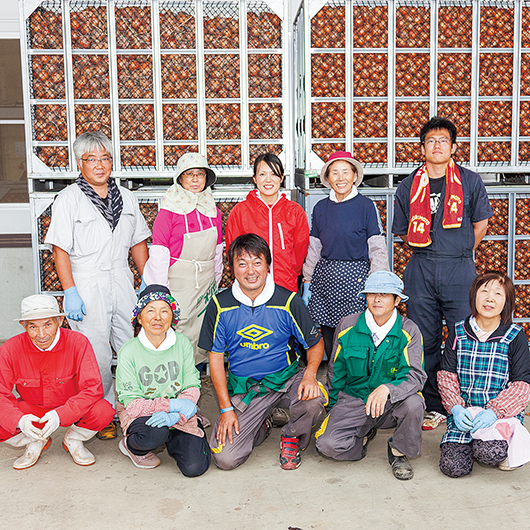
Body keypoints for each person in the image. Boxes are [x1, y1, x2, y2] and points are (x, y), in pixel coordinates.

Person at [45, 131, 151, 439]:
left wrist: (147, 281)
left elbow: (138, 241)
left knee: (131, 344)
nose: (100, 165)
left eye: (105, 158)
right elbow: (59, 249)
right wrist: (70, 290)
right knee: (96, 353)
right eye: (92, 159)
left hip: (121, 278)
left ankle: (131, 407)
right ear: (80, 163)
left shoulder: (126, 197)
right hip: (87, 280)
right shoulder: (68, 199)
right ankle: (101, 412)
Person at [392, 116, 493, 431]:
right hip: (421, 267)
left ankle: (468, 401)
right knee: (426, 339)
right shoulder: (409, 185)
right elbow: (402, 233)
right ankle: (432, 404)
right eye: (431, 141)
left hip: (459, 268)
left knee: (465, 336)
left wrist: (458, 250)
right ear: (422, 148)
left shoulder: (470, 181)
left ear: (453, 147)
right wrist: (432, 250)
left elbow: (481, 225)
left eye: (443, 141)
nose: (437, 146)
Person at [198, 234, 327, 470]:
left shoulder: (288, 301)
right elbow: (215, 358)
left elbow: (315, 343)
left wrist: (309, 375)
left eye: (257, 262)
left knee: (315, 398)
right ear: (232, 268)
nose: (250, 270)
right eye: (242, 263)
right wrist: (226, 409)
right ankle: (262, 424)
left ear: (268, 266)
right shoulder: (220, 305)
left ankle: (292, 436)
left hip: (286, 380)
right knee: (225, 458)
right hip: (247, 388)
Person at [315, 271, 426, 480]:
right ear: (364, 297)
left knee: (414, 403)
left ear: (397, 300)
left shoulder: (409, 330)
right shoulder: (347, 326)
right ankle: (363, 436)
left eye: (384, 294)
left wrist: (388, 389)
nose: (377, 299)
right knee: (327, 445)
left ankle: (398, 451)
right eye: (372, 293)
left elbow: (415, 374)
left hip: (392, 402)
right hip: (354, 398)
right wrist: (334, 408)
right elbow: (335, 370)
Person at [0, 294, 115, 470]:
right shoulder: (10, 349)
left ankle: (73, 439)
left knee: (103, 411)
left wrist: (60, 415)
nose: (41, 334)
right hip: (33, 411)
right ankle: (35, 440)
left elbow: (92, 388)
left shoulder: (78, 342)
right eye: (33, 326)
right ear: (23, 326)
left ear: (60, 321)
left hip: (73, 409)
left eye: (48, 324)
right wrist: (19, 420)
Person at [437, 272, 530, 478]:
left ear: (506, 302)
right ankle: (465, 443)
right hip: (466, 413)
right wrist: (456, 408)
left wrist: (494, 411)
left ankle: (491, 445)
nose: (490, 298)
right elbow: (447, 375)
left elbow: (522, 384)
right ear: (474, 296)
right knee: (453, 468)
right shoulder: (459, 331)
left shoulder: (515, 336)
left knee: (490, 453)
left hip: (498, 415)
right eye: (484, 291)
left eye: (498, 293)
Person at [116, 285, 210, 476]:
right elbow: (133, 405)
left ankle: (173, 437)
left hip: (177, 413)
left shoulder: (182, 343)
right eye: (150, 310)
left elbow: (192, 384)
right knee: (155, 433)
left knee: (195, 468)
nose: (157, 317)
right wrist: (173, 406)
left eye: (164, 311)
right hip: (144, 415)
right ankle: (132, 446)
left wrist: (178, 415)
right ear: (139, 318)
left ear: (173, 317)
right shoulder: (129, 351)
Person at [302, 151, 389, 358]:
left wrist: (377, 284)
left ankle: (357, 385)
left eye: (345, 172)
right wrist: (307, 280)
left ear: (354, 176)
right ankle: (335, 385)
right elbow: (314, 247)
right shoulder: (321, 208)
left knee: (357, 336)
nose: (340, 178)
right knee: (331, 337)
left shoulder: (366, 206)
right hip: (327, 280)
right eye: (334, 173)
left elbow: (377, 248)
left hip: (356, 281)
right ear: (328, 178)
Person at [143, 153, 223, 370]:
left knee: (202, 328)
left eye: (200, 174)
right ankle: (174, 379)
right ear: (180, 178)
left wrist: (215, 280)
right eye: (190, 174)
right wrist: (160, 291)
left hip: (205, 282)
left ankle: (196, 378)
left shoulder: (212, 210)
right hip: (178, 282)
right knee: (178, 327)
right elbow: (159, 252)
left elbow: (217, 250)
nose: (196, 179)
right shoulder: (169, 210)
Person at [225, 153, 309, 293]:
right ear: (255, 178)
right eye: (262, 174)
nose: (268, 180)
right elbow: (233, 251)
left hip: (285, 285)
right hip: (250, 286)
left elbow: (300, 251)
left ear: (281, 178)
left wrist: (290, 272)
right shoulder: (240, 211)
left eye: (274, 174)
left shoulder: (295, 211)